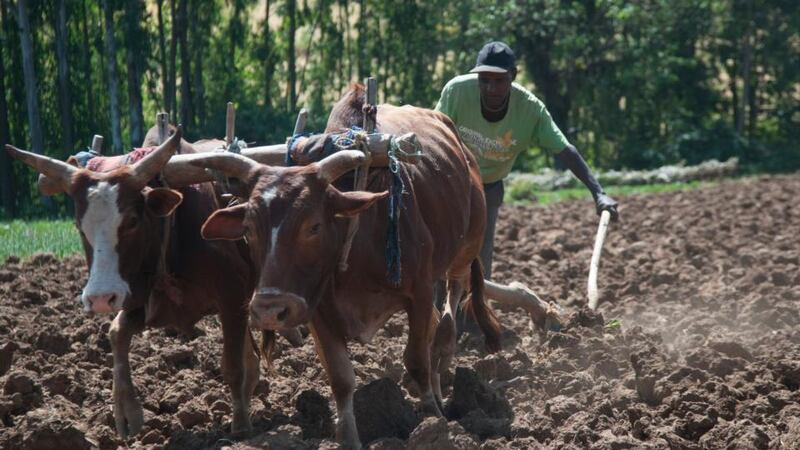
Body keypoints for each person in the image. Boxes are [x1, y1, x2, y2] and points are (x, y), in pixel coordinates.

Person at [434, 41, 619, 329]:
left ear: (513, 76)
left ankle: (471, 324)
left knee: (477, 260)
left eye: (499, 81)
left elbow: (564, 149)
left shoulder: (530, 110)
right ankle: (436, 321)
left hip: (488, 190)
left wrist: (599, 193)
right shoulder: (457, 92)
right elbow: (434, 135)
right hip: (450, 184)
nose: (491, 89)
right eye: (485, 80)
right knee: (440, 252)